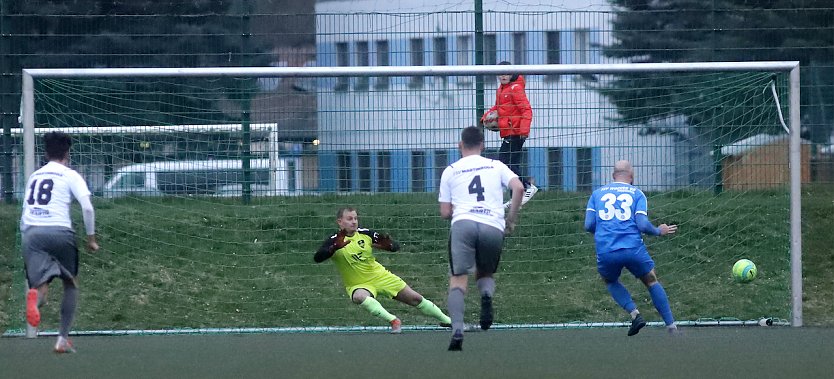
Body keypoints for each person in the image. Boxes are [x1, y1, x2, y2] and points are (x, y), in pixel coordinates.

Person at [438, 126, 525, 351]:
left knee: (458, 278)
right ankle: (486, 295)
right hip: (492, 225)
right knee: (485, 272)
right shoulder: (496, 165)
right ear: (483, 145)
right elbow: (518, 187)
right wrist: (511, 219)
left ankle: (457, 328)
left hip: (463, 224)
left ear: (460, 145)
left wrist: (461, 212)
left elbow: (445, 213)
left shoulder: (451, 170)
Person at [21, 131, 99, 353]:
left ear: (45, 153)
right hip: (60, 231)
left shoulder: (34, 176)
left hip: (31, 233)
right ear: (68, 153)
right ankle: (62, 339)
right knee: (70, 284)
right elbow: (87, 207)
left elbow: (24, 211)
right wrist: (91, 239)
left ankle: (34, 302)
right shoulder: (69, 175)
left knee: (41, 289)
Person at [314, 207, 451, 333]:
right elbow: (318, 258)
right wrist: (333, 249)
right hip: (358, 284)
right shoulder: (334, 240)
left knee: (415, 298)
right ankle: (394, 321)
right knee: (359, 296)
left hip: (380, 276)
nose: (354, 222)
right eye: (349, 219)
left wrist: (389, 245)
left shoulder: (366, 234)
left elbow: (393, 246)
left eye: (355, 218)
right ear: (340, 222)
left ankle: (448, 321)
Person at [583, 160, 679, 336]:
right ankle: (671, 327)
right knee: (651, 280)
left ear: (613, 176)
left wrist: (607, 231)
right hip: (633, 248)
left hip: (607, 250)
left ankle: (635, 314)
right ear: (632, 176)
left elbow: (588, 225)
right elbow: (642, 224)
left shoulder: (597, 194)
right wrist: (658, 231)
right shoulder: (637, 194)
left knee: (610, 280)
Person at [481, 60, 537, 207]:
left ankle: (527, 186)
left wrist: (523, 131)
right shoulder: (501, 89)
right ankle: (516, 197)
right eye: (500, 73)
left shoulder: (516, 88)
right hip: (507, 132)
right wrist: (486, 116)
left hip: (516, 132)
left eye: (506, 73)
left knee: (504, 162)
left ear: (512, 73)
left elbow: (526, 110)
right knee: (511, 162)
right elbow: (498, 107)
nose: (503, 76)